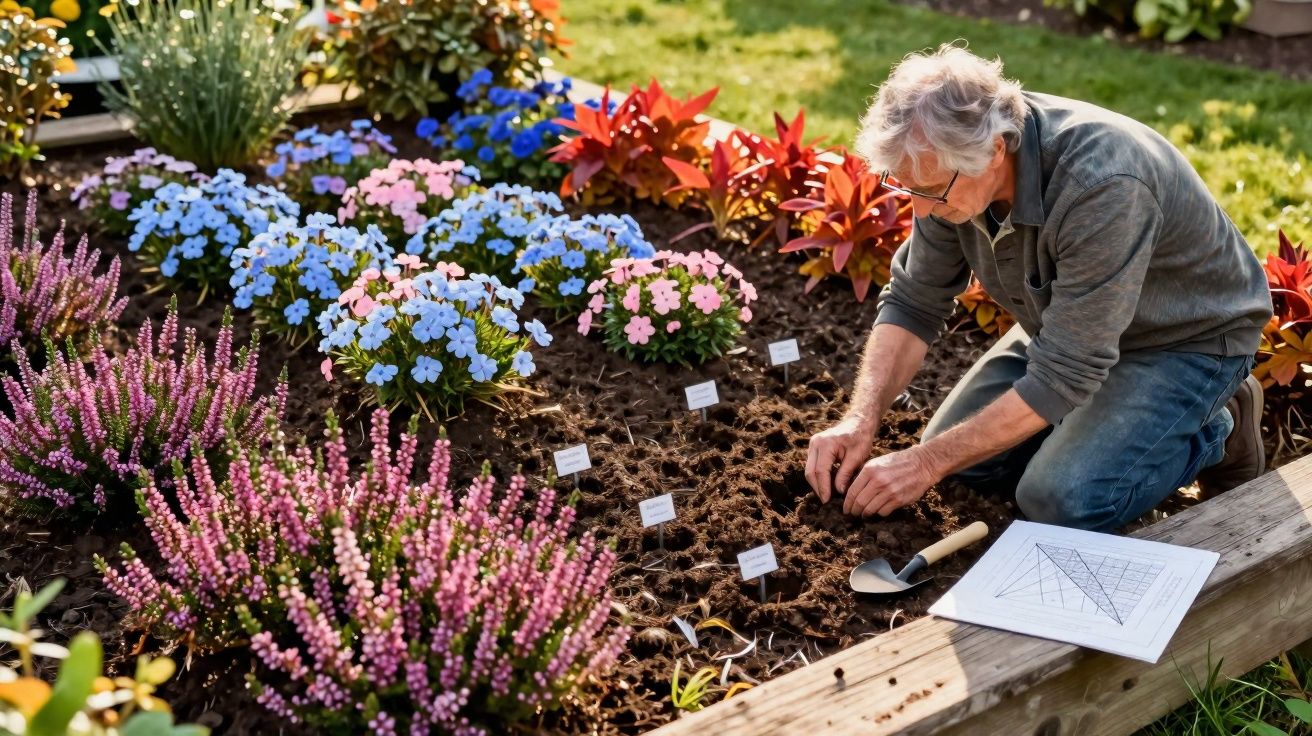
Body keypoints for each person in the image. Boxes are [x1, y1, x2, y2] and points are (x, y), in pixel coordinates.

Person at [804, 44, 1273, 533]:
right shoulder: (946, 172)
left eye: (931, 193)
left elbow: (1067, 371)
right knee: (967, 469)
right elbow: (913, 300)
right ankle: (1095, 430)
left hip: (1181, 341)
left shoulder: (1102, 185)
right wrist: (860, 419)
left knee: (1059, 501)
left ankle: (1220, 424)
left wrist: (924, 462)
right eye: (907, 189)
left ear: (995, 153)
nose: (919, 211)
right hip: (1068, 325)